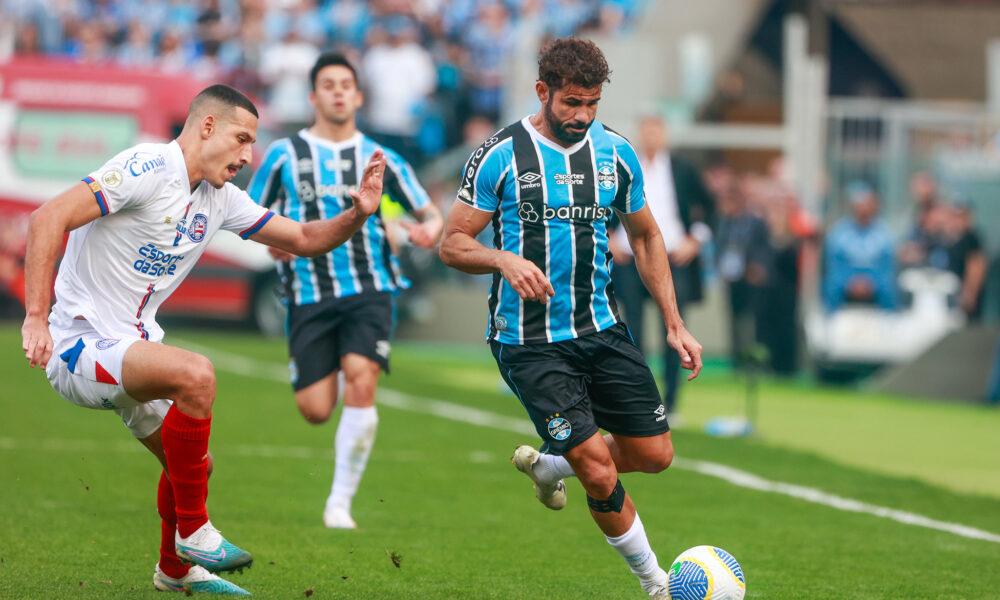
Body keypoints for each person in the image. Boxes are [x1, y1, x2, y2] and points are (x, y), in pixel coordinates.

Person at [20, 84, 387, 595]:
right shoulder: (146, 167)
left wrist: (358, 214)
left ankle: (174, 570)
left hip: (131, 349)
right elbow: (47, 218)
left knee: (193, 465)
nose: (247, 155)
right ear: (207, 126)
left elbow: (303, 240)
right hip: (78, 345)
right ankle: (195, 532)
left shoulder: (220, 198)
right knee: (197, 375)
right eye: (241, 139)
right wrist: (36, 317)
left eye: (252, 144)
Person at [438, 38, 702, 600]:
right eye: (571, 103)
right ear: (543, 92)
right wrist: (503, 258)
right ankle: (656, 585)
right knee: (600, 471)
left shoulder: (616, 153)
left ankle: (553, 467)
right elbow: (452, 244)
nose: (582, 116)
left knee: (655, 455)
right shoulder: (500, 154)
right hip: (529, 342)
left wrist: (674, 323)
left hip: (601, 329)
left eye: (592, 104)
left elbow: (648, 236)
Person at [248, 52, 442, 530]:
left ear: (357, 96)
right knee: (315, 410)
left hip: (370, 286)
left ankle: (340, 503)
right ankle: (331, 365)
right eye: (328, 84)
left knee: (363, 378)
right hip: (308, 293)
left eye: (345, 85)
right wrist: (274, 244)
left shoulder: (381, 157)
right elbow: (247, 215)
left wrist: (427, 231)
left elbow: (429, 213)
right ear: (313, 96)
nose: (337, 91)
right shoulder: (284, 155)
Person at [609, 113, 713, 416]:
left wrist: (696, 239)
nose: (652, 136)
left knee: (674, 329)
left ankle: (672, 402)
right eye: (647, 131)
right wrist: (608, 237)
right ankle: (640, 400)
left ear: (665, 134)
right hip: (630, 258)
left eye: (657, 131)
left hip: (672, 258)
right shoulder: (624, 166)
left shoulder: (683, 169)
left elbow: (710, 207)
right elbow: (601, 205)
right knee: (632, 330)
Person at [823, 180, 897, 311]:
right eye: (859, 205)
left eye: (867, 204)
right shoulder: (839, 232)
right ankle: (830, 323)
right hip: (847, 276)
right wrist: (850, 282)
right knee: (831, 287)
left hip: (875, 277)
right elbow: (835, 264)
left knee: (889, 288)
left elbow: (887, 265)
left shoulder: (884, 232)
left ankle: (890, 322)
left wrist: (871, 283)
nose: (863, 209)